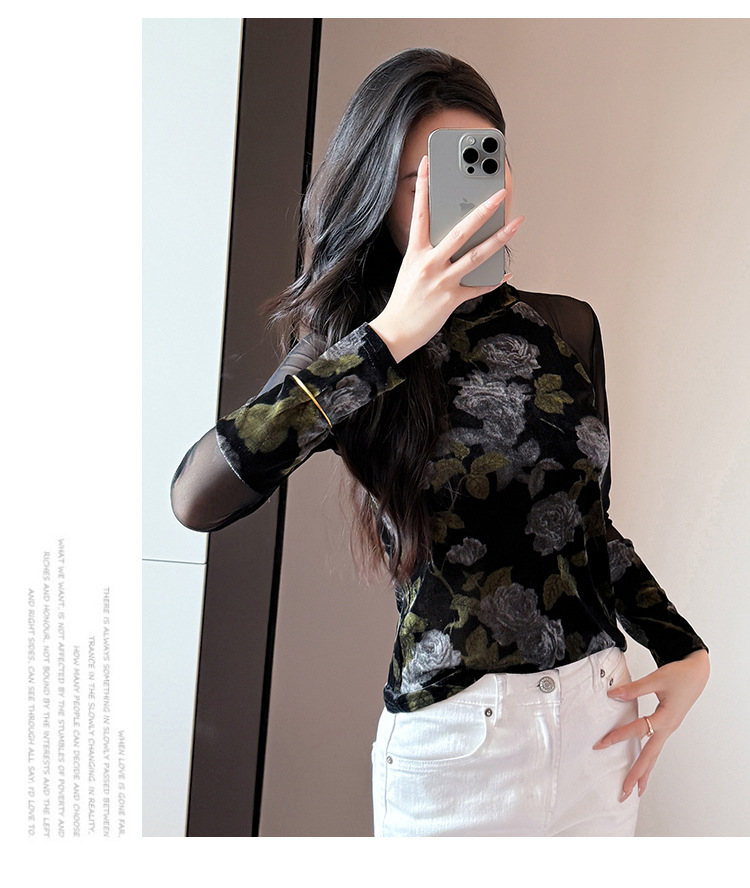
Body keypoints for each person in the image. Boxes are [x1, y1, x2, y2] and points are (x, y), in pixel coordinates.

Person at [171, 48, 709, 837]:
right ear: (375, 194)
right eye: (421, 181)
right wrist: (389, 338)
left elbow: (585, 526)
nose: (460, 200)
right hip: (460, 745)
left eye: (480, 166)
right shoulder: (350, 348)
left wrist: (682, 649)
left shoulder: (566, 326)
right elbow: (197, 498)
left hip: (600, 725)